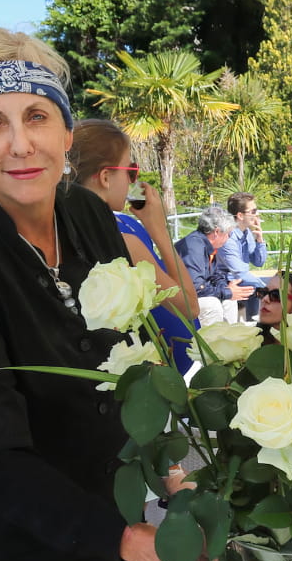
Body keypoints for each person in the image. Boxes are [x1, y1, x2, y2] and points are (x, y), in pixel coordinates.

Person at [0, 27, 221, 561]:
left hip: (110, 509)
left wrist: (176, 479)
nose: (21, 145)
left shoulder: (89, 216)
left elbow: (132, 361)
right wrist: (129, 539)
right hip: (10, 543)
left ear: (67, 134)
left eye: (37, 117)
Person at [70, 119, 198, 374]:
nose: (132, 182)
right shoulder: (123, 241)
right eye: (130, 171)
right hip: (143, 380)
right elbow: (189, 306)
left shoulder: (61, 231)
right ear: (105, 177)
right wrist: (158, 229)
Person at [174, 206, 246, 326]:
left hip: (191, 295)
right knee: (212, 305)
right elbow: (195, 288)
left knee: (230, 301)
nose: (229, 238)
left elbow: (216, 275)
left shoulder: (207, 246)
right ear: (217, 232)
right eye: (229, 233)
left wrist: (227, 290)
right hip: (177, 300)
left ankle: (229, 338)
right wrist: (227, 292)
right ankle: (211, 342)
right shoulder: (193, 247)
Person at [218, 192, 268, 322]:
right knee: (257, 289)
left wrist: (259, 239)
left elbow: (259, 262)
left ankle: (256, 326)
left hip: (239, 280)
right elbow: (239, 272)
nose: (257, 215)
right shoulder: (228, 238)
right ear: (240, 215)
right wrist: (267, 289)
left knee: (256, 289)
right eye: (253, 211)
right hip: (224, 282)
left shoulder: (246, 233)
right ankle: (256, 328)